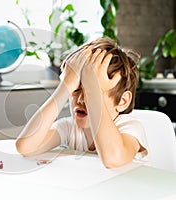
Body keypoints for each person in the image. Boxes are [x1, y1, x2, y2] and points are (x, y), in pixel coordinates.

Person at [15, 37, 149, 168]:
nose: (80, 100)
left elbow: (112, 159)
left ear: (123, 101)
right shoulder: (70, 128)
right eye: (75, 89)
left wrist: (93, 90)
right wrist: (65, 86)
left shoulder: (130, 127)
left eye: (92, 92)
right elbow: (25, 147)